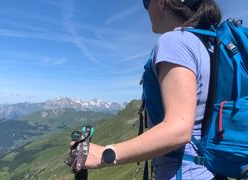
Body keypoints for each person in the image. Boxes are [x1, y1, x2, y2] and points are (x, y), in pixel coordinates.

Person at [74, 0, 222, 179]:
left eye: (146, 2)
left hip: (184, 173)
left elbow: (179, 129)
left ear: (161, 2)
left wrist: (104, 154)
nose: (145, 9)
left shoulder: (174, 41)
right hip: (212, 170)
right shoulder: (209, 44)